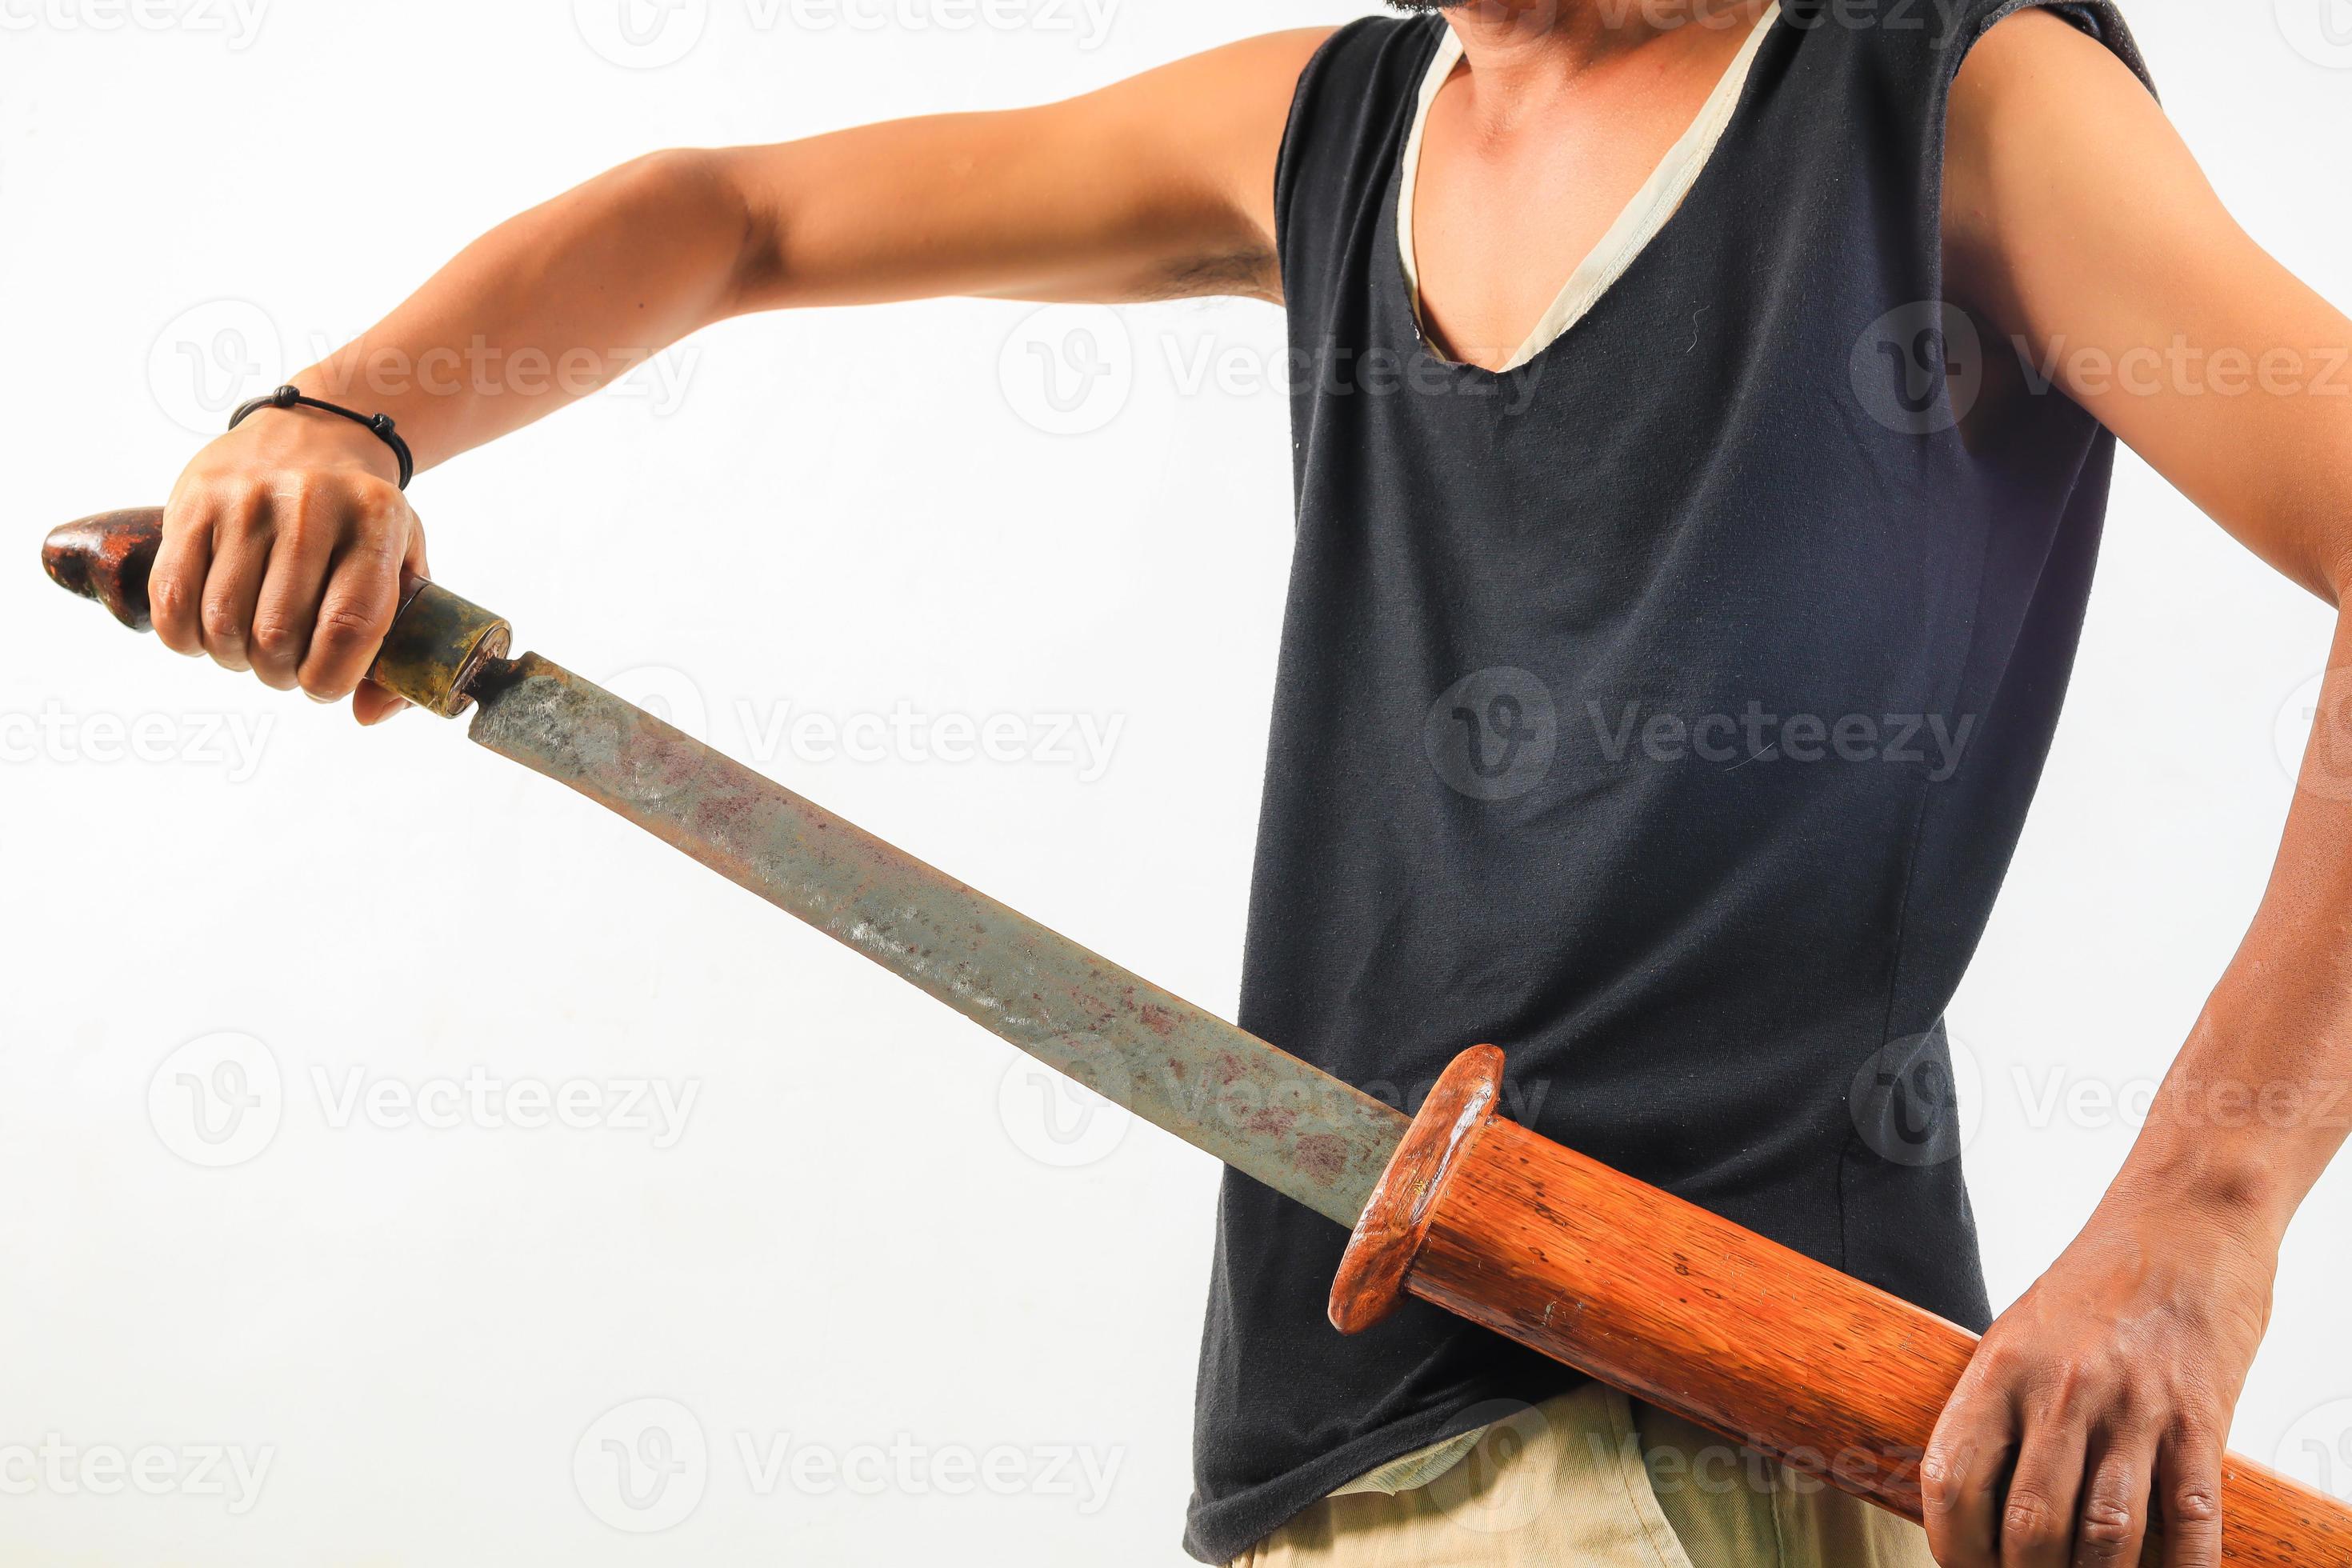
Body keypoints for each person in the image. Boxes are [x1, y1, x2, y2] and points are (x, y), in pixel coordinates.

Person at [142, 3, 2352, 1565]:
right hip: (1325, 1446)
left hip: (1716, 1412)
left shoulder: (1944, 97)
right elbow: (738, 213)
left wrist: (2195, 1227)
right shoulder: (1346, 118)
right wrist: (339, 415)